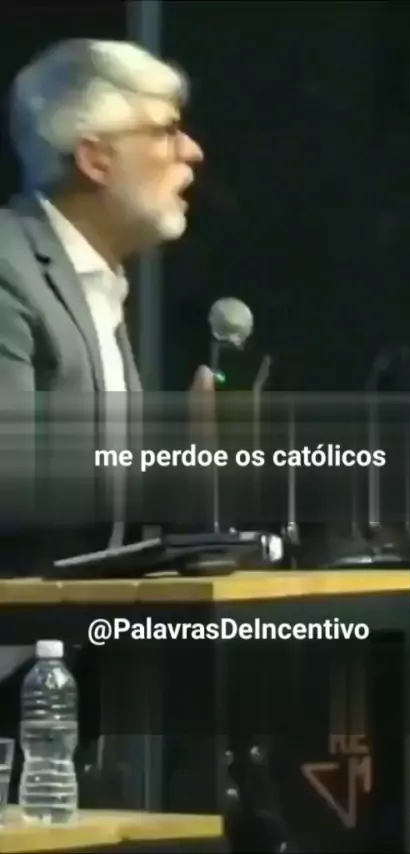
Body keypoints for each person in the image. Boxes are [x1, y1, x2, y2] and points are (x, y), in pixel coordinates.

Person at [0, 39, 212, 780]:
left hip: (67, 672)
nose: (192, 152)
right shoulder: (8, 270)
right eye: (166, 130)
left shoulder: (92, 282)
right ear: (94, 158)